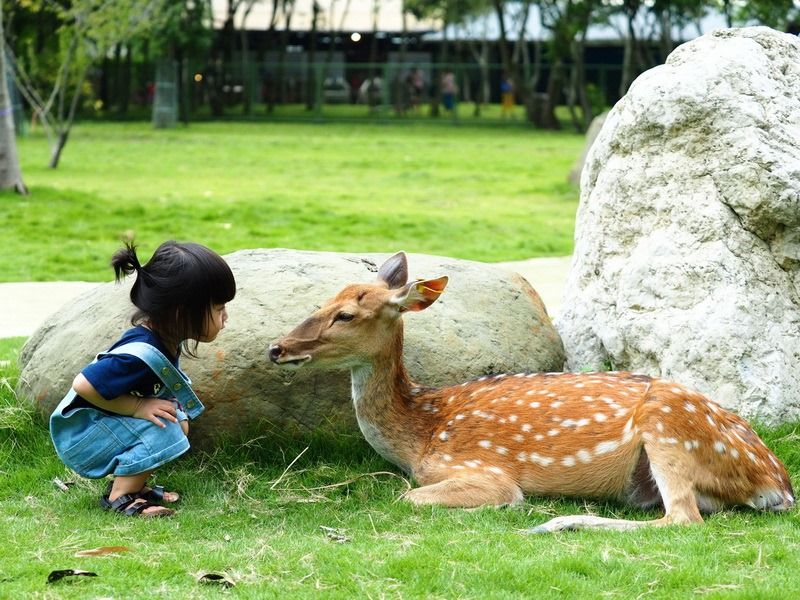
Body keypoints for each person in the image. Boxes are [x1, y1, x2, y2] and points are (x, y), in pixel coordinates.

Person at [50, 240, 236, 517]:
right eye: (219, 309)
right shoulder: (137, 354)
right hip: (81, 436)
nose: (226, 318)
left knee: (175, 420)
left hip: (100, 427)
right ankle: (121, 497)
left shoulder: (165, 338)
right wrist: (138, 407)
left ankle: (136, 485)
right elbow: (83, 385)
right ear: (181, 312)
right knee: (165, 426)